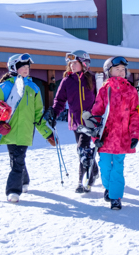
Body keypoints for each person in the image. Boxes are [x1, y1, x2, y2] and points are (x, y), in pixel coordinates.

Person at [0, 53, 55, 203]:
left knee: (17, 159)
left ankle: (13, 191)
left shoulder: (33, 88)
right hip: (9, 130)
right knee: (16, 159)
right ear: (14, 68)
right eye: (22, 67)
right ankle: (24, 181)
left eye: (28, 67)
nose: (26, 69)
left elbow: (38, 115)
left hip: (26, 131)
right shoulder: (5, 86)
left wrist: (47, 134)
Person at [86, 56, 139, 210]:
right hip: (106, 137)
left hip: (122, 138)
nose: (121, 72)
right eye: (117, 69)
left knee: (118, 167)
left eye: (123, 69)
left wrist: (134, 134)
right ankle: (108, 187)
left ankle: (116, 197)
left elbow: (135, 115)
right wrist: (95, 136)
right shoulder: (104, 90)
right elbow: (96, 113)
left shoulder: (131, 91)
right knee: (104, 166)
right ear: (109, 71)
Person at [44, 50, 98, 193]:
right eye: (70, 63)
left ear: (84, 63)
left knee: (83, 149)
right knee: (83, 150)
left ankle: (83, 181)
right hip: (75, 122)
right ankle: (94, 170)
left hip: (90, 121)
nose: (72, 66)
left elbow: (100, 99)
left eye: (75, 63)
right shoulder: (67, 81)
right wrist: (54, 113)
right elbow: (60, 100)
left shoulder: (93, 79)